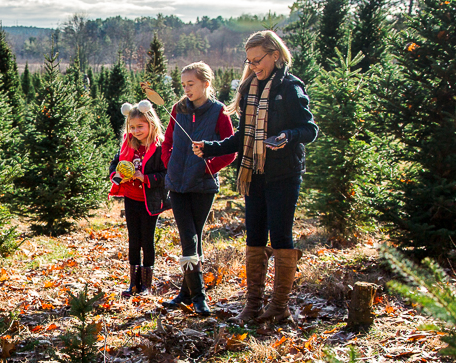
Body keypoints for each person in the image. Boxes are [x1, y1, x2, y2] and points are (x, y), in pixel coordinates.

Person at [193, 31, 317, 324]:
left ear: (275, 54)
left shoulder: (289, 87)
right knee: (255, 236)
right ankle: (252, 305)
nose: (253, 66)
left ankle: (279, 306)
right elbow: (243, 136)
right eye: (249, 61)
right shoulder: (250, 87)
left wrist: (288, 136)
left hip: (283, 173)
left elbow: (309, 129)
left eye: (258, 60)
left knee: (281, 236)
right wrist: (211, 148)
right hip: (253, 174)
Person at [160, 63, 236, 314]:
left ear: (206, 83)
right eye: (183, 85)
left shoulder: (218, 112)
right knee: (188, 238)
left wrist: (207, 168)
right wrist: (170, 164)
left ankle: (186, 293)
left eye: (190, 84)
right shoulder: (177, 109)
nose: (186, 89)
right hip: (178, 185)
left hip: (203, 186)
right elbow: (167, 142)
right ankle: (198, 296)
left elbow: (230, 150)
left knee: (193, 238)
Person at [108, 100, 167, 297]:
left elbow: (167, 175)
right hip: (131, 197)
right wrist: (118, 176)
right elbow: (114, 166)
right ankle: (133, 283)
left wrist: (146, 178)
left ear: (151, 123)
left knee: (147, 240)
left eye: (140, 126)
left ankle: (146, 285)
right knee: (133, 240)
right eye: (132, 127)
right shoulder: (127, 145)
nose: (136, 131)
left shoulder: (160, 148)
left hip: (150, 201)